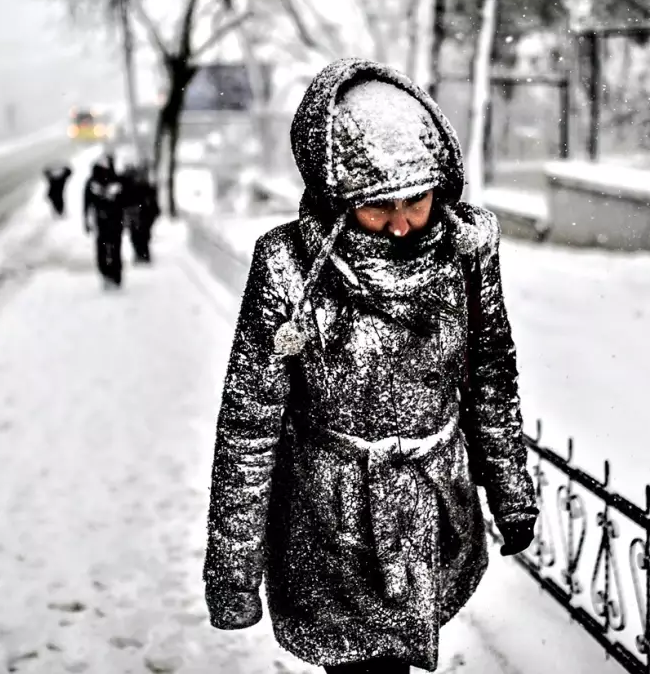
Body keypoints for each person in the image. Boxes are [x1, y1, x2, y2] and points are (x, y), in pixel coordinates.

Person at [203, 58, 539, 674]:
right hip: (331, 528)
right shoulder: (287, 267)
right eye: (380, 206)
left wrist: (510, 490)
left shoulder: (465, 253)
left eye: (418, 197)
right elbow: (250, 425)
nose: (405, 222)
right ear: (335, 196)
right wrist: (235, 569)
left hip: (433, 512)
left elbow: (490, 375)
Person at [83, 152, 125, 288]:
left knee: (112, 248)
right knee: (108, 248)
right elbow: (87, 203)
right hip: (104, 220)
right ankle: (109, 273)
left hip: (113, 219)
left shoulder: (116, 180)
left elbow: (125, 199)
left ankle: (113, 274)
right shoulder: (94, 182)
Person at [120, 163, 160, 263]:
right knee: (138, 234)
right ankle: (141, 254)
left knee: (140, 234)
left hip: (142, 212)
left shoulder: (144, 186)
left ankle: (142, 254)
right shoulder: (133, 185)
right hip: (138, 211)